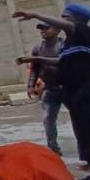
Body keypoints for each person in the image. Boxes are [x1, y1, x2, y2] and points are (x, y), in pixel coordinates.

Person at [14, 4, 90, 180]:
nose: (62, 21)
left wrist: (35, 12)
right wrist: (36, 60)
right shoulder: (72, 42)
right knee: (85, 132)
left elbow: (69, 27)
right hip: (78, 91)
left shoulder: (88, 33)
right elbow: (62, 61)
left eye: (66, 17)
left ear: (77, 20)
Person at [26, 23, 64, 155]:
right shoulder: (38, 48)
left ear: (58, 30)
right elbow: (34, 69)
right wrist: (31, 85)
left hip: (69, 87)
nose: (42, 31)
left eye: (46, 28)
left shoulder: (65, 45)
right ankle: (53, 148)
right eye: (41, 29)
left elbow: (64, 61)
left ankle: (88, 148)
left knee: (79, 117)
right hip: (50, 87)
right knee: (48, 118)